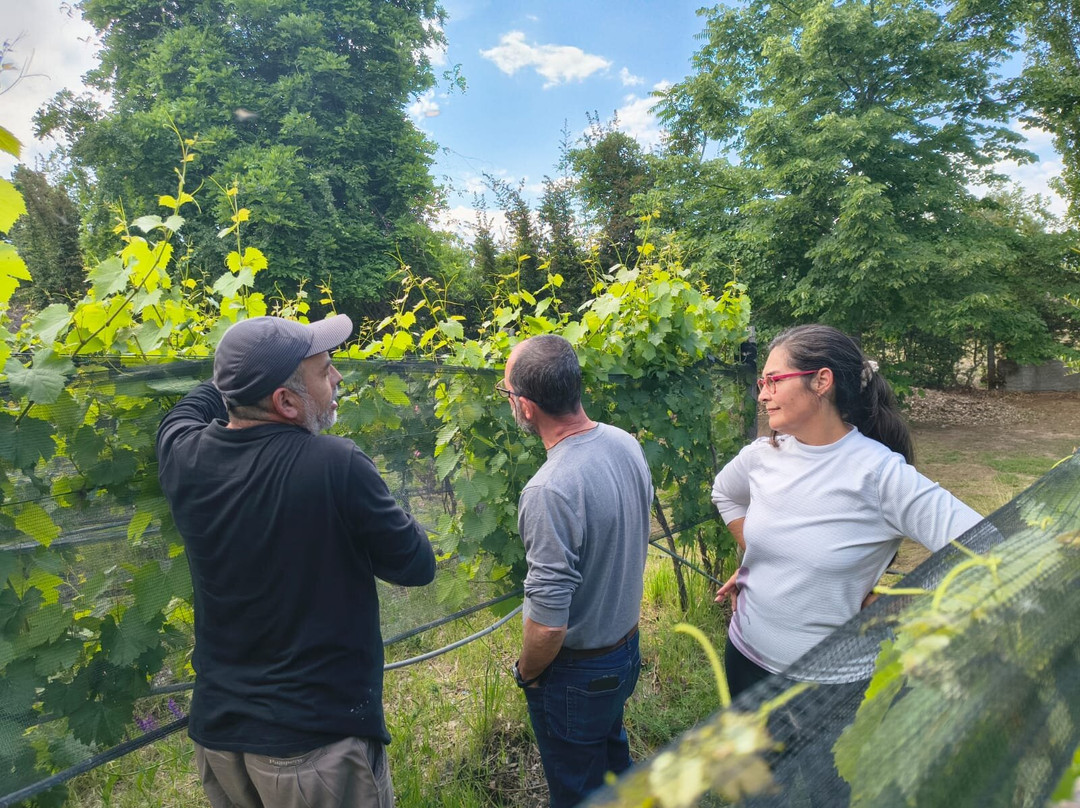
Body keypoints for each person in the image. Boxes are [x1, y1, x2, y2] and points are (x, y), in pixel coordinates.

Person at [156, 315, 435, 808]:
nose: (338, 378)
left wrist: (246, 367)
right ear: (285, 403)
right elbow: (416, 565)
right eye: (325, 369)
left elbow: (188, 408)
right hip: (313, 750)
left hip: (220, 737)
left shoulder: (184, 456)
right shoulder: (336, 465)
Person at [712, 324, 983, 698]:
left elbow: (988, 547)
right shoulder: (762, 456)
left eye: (773, 381)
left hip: (829, 685)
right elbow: (725, 494)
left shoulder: (880, 474)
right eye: (761, 383)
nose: (763, 395)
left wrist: (900, 602)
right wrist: (756, 558)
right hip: (743, 658)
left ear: (821, 381)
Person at [499, 334, 654, 808]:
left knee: (578, 791)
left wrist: (527, 673)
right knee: (613, 766)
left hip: (578, 673)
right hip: (625, 648)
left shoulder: (549, 490)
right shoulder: (624, 443)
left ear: (526, 407)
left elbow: (548, 624)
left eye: (506, 394)